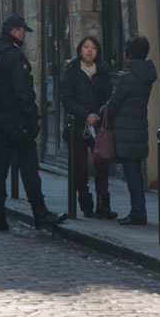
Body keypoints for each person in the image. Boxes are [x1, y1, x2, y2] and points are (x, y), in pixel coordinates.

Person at [0, 14, 57, 233]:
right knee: (29, 168)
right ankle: (40, 214)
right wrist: (32, 121)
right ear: (14, 31)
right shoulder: (13, 56)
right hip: (16, 119)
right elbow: (24, 93)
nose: (24, 35)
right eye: (22, 31)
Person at [101, 33, 157, 225]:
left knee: (132, 174)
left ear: (129, 55)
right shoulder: (145, 75)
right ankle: (138, 210)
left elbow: (114, 102)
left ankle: (138, 212)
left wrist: (99, 112)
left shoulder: (129, 77)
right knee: (135, 173)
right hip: (138, 128)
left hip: (126, 130)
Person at [58, 33, 111, 219]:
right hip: (78, 125)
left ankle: (103, 204)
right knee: (80, 167)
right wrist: (84, 114)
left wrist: (97, 114)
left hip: (98, 125)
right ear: (80, 50)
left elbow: (108, 96)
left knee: (102, 164)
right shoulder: (71, 70)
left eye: (93, 47)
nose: (90, 50)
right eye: (86, 47)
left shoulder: (103, 71)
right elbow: (66, 98)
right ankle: (85, 203)